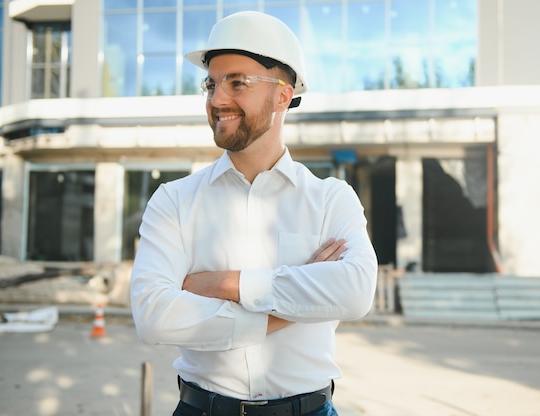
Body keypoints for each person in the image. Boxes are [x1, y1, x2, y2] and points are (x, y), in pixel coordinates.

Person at [130, 11, 378, 416]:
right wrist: (297, 302)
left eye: (237, 83)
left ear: (283, 94)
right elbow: (154, 316)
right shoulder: (173, 200)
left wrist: (225, 284)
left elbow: (354, 292)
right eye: (211, 84)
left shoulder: (332, 199)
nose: (217, 99)